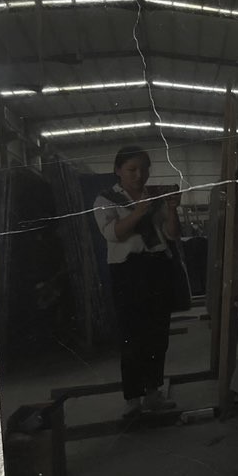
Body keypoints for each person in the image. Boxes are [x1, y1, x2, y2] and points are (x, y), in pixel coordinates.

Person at [93, 146, 181, 417]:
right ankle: (133, 399)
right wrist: (140, 211)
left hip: (157, 266)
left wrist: (172, 209)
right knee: (131, 336)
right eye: (132, 169)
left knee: (157, 334)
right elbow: (113, 234)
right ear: (118, 171)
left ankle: (153, 393)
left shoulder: (155, 197)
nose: (139, 175)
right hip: (127, 271)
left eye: (144, 169)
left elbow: (171, 234)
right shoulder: (105, 200)